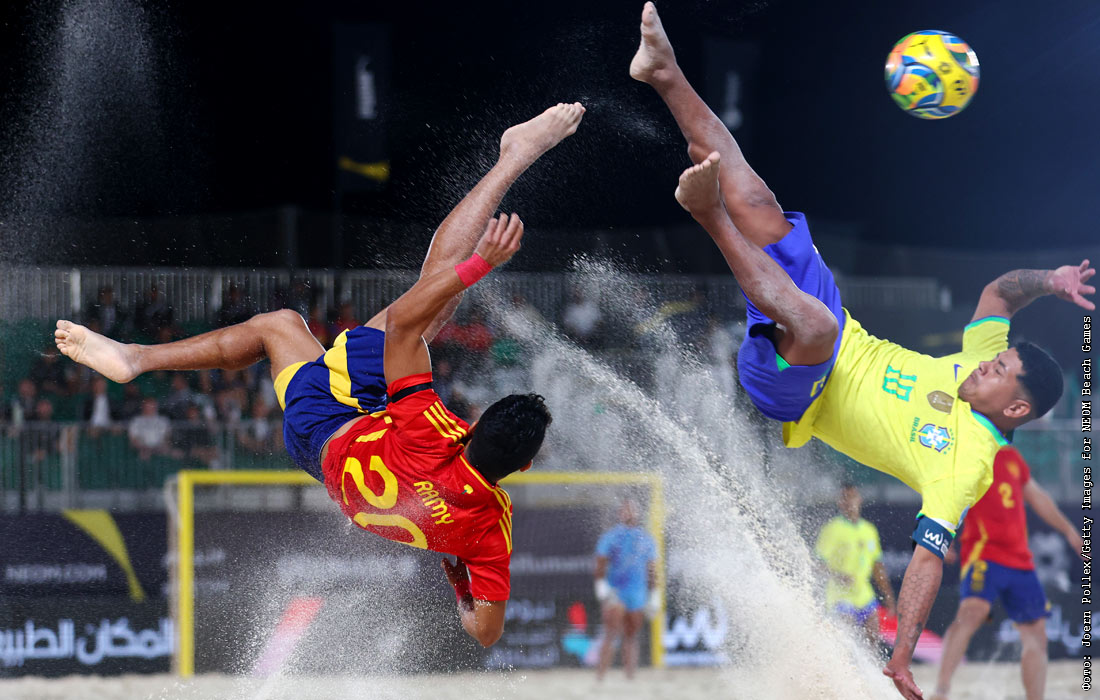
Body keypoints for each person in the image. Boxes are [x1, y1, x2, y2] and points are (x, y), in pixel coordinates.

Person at [627, 4, 1095, 697]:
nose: (986, 363)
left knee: (811, 322)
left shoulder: (967, 464)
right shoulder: (980, 364)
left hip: (794, 388)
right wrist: (1049, 281)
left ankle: (707, 216)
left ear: (1016, 407)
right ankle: (664, 73)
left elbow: (929, 561)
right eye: (993, 357)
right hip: (831, 327)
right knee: (759, 199)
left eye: (998, 369)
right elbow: (999, 293)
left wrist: (902, 656)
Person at [54, 102, 585, 648]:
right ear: (525, 466)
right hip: (319, 456)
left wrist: (479, 266)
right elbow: (485, 632)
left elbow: (406, 324)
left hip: (341, 419)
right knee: (280, 327)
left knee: (430, 298)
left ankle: (512, 156)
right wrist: (459, 579)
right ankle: (135, 359)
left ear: (472, 426)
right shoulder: (490, 530)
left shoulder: (433, 432)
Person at [931, 446, 1084, 700]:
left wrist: (1068, 529)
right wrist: (941, 537)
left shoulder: (1011, 456)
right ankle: (941, 691)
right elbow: (947, 493)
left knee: (1037, 632)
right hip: (983, 553)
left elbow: (1038, 497)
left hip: (1020, 559)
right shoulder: (971, 451)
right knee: (973, 611)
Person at [815, 483, 897, 647]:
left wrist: (888, 597)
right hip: (840, 597)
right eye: (844, 498)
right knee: (847, 642)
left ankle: (868, 664)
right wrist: (839, 576)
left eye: (852, 497)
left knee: (873, 639)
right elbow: (817, 564)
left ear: (859, 499)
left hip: (864, 595)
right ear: (839, 502)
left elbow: (877, 567)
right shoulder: (832, 529)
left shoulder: (869, 530)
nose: (849, 502)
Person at [593, 499, 659, 680]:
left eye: (632, 510)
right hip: (617, 591)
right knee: (611, 633)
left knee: (631, 635)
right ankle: (600, 677)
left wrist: (654, 595)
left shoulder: (646, 538)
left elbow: (652, 569)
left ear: (638, 513)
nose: (629, 513)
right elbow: (600, 562)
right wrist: (600, 585)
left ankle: (630, 677)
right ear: (620, 513)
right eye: (626, 510)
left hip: (637, 592)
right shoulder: (612, 536)